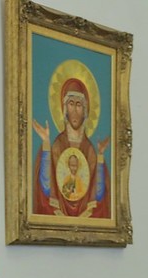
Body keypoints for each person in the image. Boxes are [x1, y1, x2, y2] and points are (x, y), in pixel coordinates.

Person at [32, 75, 111, 218]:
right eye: (71, 104)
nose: (74, 110)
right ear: (65, 108)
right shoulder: (57, 145)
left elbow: (98, 196)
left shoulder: (90, 150)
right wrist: (46, 143)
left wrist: (100, 155)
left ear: (85, 110)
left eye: (79, 104)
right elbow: (46, 188)